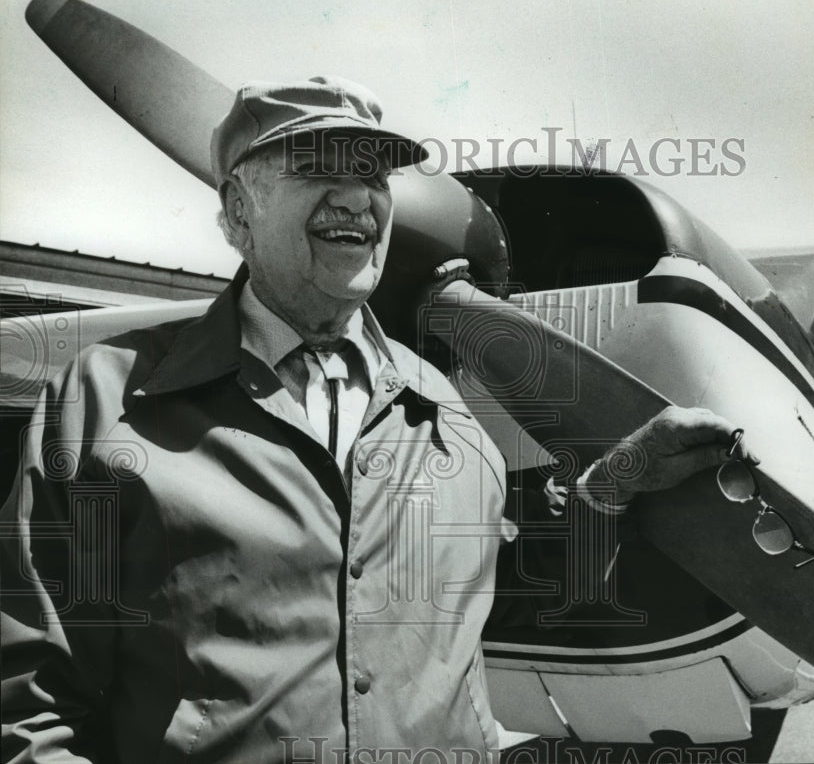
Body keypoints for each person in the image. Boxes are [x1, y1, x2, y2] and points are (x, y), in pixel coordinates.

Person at [0, 77, 751, 764]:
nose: (354, 198)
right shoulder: (105, 402)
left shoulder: (442, 410)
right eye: (315, 168)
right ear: (236, 214)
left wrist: (615, 481)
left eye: (370, 174)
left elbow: (509, 595)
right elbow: (29, 701)